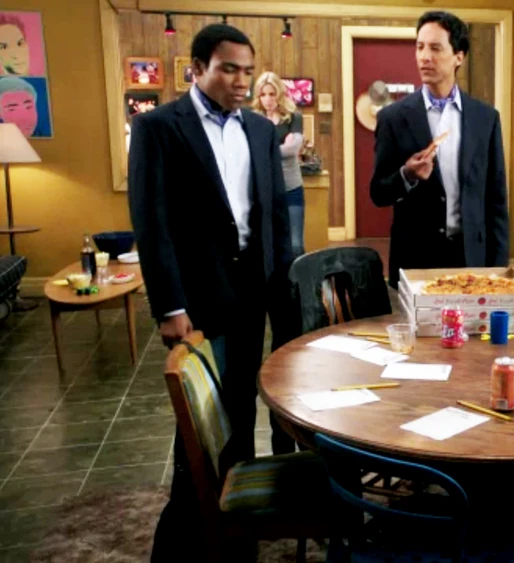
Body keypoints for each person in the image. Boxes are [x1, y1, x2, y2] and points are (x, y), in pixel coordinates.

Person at [127, 24, 291, 560]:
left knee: (241, 408)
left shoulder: (262, 130)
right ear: (197, 69)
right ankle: (181, 542)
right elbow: (152, 224)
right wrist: (170, 306)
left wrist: (281, 287)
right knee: (199, 425)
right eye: (229, 69)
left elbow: (274, 217)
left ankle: (236, 534)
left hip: (251, 293)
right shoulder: (157, 128)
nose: (242, 81)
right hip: (196, 298)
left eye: (248, 71)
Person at [370, 10, 508, 287]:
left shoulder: (485, 118)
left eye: (435, 48)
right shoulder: (393, 118)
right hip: (416, 256)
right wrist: (407, 175)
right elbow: (378, 193)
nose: (424, 57)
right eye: (420, 47)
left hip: (471, 255)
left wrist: (499, 265)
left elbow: (496, 199)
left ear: (459, 56)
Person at [252, 71, 306, 257]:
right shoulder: (254, 120)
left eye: (272, 94)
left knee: (295, 245)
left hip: (291, 188)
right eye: (263, 94)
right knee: (270, 245)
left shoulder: (293, 117)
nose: (268, 99)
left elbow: (293, 149)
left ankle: (297, 277)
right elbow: (253, 152)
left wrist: (266, 149)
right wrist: (281, 146)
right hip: (265, 189)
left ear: (279, 94)